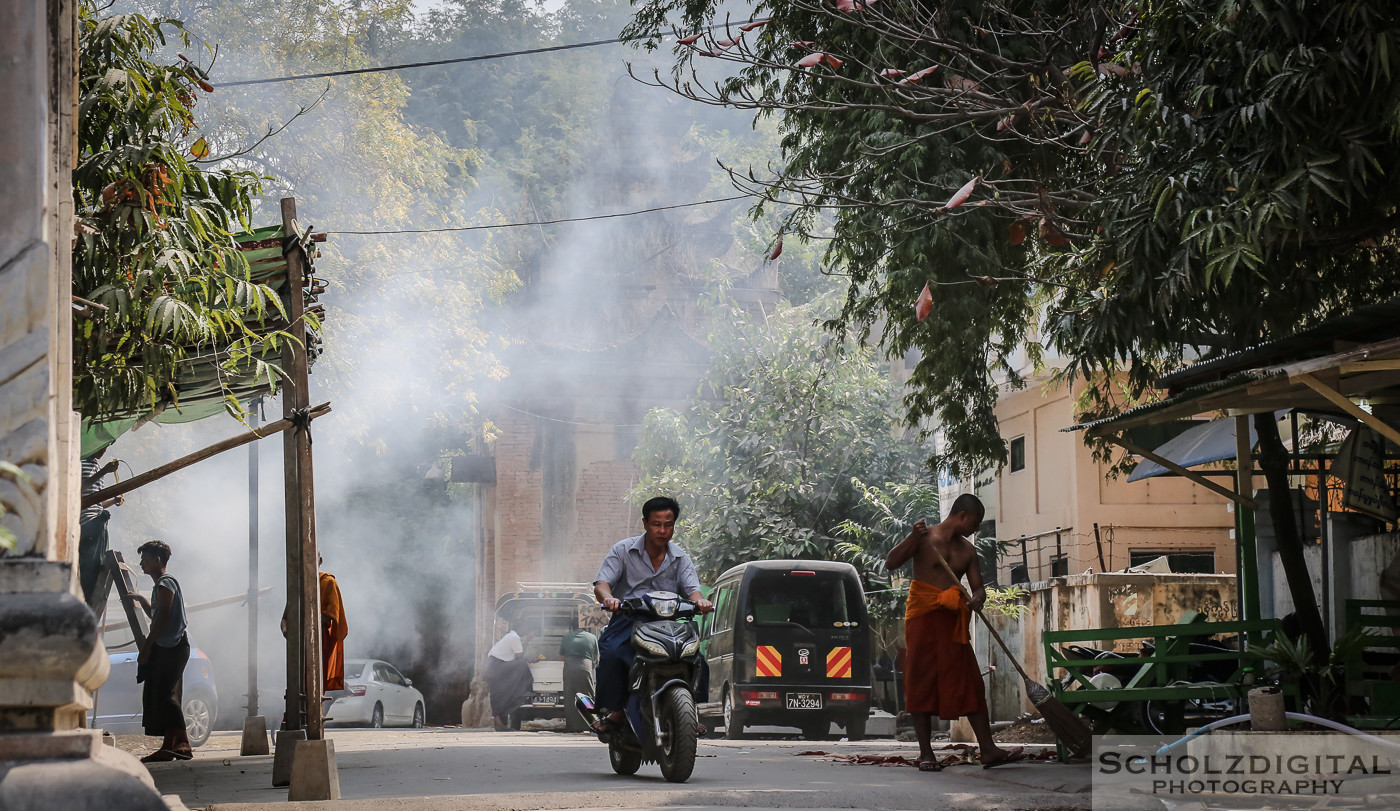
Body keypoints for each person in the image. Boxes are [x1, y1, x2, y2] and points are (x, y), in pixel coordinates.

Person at [884, 494, 1024, 772]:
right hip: (923, 618)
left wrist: (979, 597)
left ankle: (988, 749)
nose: (977, 528)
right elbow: (891, 562)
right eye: (976, 522)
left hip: (952, 622)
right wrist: (912, 537)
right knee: (920, 679)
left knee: (969, 679)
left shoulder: (968, 552)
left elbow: (978, 587)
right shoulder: (924, 538)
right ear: (962, 515)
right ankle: (926, 754)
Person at [591, 496, 712, 734]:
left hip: (668, 623)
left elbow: (693, 592)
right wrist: (609, 598)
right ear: (645, 523)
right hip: (628, 620)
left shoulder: (680, 557)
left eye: (668, 524)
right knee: (614, 653)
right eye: (657, 524)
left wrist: (701, 603)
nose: (663, 530)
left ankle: (689, 710)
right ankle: (614, 712)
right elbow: (601, 584)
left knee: (697, 658)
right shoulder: (623, 550)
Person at [132, 539, 191, 763]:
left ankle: (183, 743)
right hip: (167, 647)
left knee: (166, 695)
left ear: (157, 560)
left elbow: (164, 615)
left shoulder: (166, 582)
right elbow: (157, 614)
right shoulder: (160, 586)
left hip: (173, 647)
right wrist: (142, 600)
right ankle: (168, 746)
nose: (141, 563)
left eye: (144, 558)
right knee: (160, 694)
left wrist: (147, 646)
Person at [280, 555, 350, 694]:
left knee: (313, 683)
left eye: (311, 559)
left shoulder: (328, 582)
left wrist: (304, 623)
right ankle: (293, 713)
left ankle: (313, 711)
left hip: (318, 637)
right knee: (296, 682)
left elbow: (330, 615)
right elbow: (286, 616)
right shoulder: (298, 584)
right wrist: (285, 629)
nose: (307, 564)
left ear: (320, 560)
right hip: (297, 639)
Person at [484, 626, 535, 731]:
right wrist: (527, 640)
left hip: (495, 665)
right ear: (519, 628)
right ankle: (499, 724)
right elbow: (520, 656)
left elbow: (518, 655)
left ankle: (498, 724)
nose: (525, 632)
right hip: (496, 666)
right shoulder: (514, 637)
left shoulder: (511, 636)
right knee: (522, 664)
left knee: (500, 693)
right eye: (525, 630)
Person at [559, 619, 599, 732]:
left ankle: (572, 727)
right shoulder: (592, 637)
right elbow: (596, 658)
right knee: (587, 697)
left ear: (572, 627)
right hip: (585, 667)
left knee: (570, 697)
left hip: (569, 668)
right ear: (585, 626)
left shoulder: (566, 637)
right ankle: (591, 725)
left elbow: (562, 658)